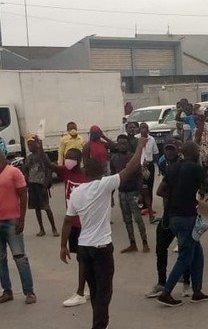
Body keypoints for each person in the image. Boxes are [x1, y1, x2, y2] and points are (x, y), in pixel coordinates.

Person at [60, 138, 147, 329]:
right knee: (104, 293)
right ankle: (99, 326)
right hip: (101, 249)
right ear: (102, 173)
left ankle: (99, 323)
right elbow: (131, 168)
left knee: (94, 289)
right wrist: (140, 146)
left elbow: (67, 221)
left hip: (84, 248)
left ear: (85, 172)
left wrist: (62, 246)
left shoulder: (76, 192)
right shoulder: (105, 184)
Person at [156, 141, 208, 306]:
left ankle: (197, 291)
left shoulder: (173, 168)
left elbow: (160, 191)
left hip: (173, 216)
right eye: (197, 152)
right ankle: (166, 293)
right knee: (185, 257)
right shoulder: (194, 167)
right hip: (186, 216)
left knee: (197, 254)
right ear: (193, 153)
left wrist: (175, 195)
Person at [40, 144, 89, 307]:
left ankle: (81, 292)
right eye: (66, 157)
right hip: (73, 223)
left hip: (84, 223)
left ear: (79, 160)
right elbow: (48, 164)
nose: (67, 161)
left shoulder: (86, 176)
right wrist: (40, 147)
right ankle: (88, 288)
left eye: (71, 158)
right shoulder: (65, 171)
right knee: (81, 258)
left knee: (83, 257)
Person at [146, 137, 191, 299]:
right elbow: (161, 190)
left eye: (172, 148)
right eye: (167, 148)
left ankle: (186, 282)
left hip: (182, 213)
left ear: (179, 149)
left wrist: (174, 195)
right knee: (161, 249)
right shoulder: (164, 163)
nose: (169, 151)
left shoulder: (184, 165)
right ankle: (161, 282)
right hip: (168, 213)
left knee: (185, 250)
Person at [0, 151, 36, 305]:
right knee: (0, 259)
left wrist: (21, 219)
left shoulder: (13, 172)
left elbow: (23, 195)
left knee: (20, 258)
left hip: (12, 221)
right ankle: (7, 291)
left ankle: (29, 292)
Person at [110, 135, 149, 253]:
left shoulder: (133, 157)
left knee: (138, 219)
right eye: (120, 143)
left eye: (124, 143)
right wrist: (111, 195)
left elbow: (139, 176)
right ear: (117, 145)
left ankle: (144, 242)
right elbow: (113, 177)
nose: (122, 145)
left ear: (128, 145)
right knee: (127, 220)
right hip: (121, 193)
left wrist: (140, 194)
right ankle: (132, 243)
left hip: (133, 193)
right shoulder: (114, 159)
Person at [23, 135, 59, 238]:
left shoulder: (42, 156)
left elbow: (48, 171)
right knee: (37, 208)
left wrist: (46, 185)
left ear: (36, 144)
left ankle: (54, 228)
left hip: (41, 185)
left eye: (31, 144)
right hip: (32, 185)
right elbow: (26, 170)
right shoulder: (29, 157)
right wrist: (26, 182)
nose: (29, 146)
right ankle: (41, 229)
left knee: (46, 207)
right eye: (28, 145)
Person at [136, 123, 159, 224]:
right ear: (140, 130)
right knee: (140, 186)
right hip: (139, 165)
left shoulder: (152, 139)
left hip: (148, 165)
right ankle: (141, 206)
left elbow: (155, 153)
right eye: (142, 128)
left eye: (146, 128)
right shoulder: (136, 139)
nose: (144, 130)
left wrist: (156, 165)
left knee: (150, 185)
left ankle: (149, 207)